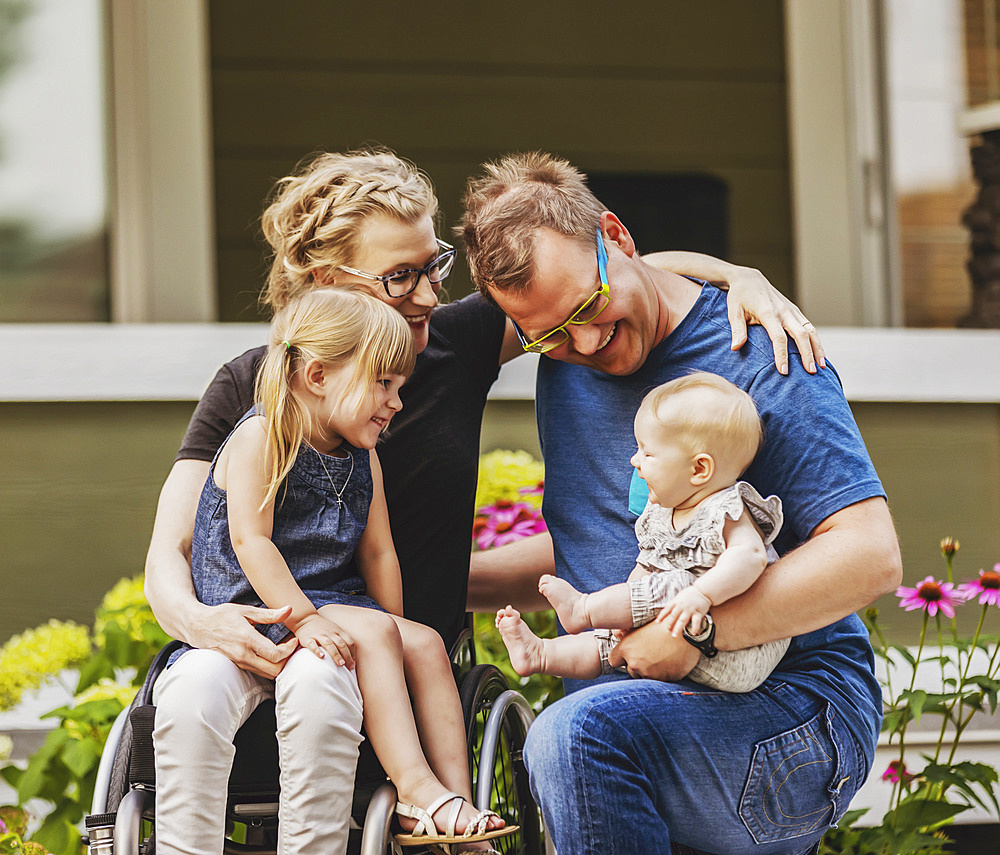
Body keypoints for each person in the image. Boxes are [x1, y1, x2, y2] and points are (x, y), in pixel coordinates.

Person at [144, 148, 831, 855]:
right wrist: (205, 622)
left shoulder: (453, 344)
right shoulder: (255, 387)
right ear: (325, 280)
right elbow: (171, 551)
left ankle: (443, 801)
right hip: (280, 634)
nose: (427, 296)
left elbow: (601, 278)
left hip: (404, 656)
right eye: (399, 276)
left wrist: (735, 275)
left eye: (432, 265)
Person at [459, 151, 902, 855]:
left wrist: (696, 629)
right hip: (634, 709)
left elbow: (869, 556)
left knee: (575, 735)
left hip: (787, 706)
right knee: (581, 732)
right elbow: (596, 542)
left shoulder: (759, 351)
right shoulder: (565, 351)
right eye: (549, 335)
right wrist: (441, 587)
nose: (585, 342)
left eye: (587, 308)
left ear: (618, 237)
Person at [179, 287, 512, 853]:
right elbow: (250, 540)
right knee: (380, 633)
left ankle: (455, 810)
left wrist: (396, 630)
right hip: (260, 600)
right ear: (316, 377)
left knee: (427, 644)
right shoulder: (263, 436)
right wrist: (306, 620)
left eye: (400, 388)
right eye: (383, 384)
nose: (396, 404)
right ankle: (414, 788)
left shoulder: (363, 455)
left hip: (331, 599)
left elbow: (378, 550)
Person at [496, 372, 789, 694]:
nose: (634, 460)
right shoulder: (662, 514)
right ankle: (541, 654)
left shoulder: (726, 508)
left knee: (676, 587)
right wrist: (627, 615)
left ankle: (583, 609)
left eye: (647, 453)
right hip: (681, 634)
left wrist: (701, 594)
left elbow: (751, 556)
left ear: (699, 470)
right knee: (608, 641)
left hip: (736, 653)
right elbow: (646, 569)